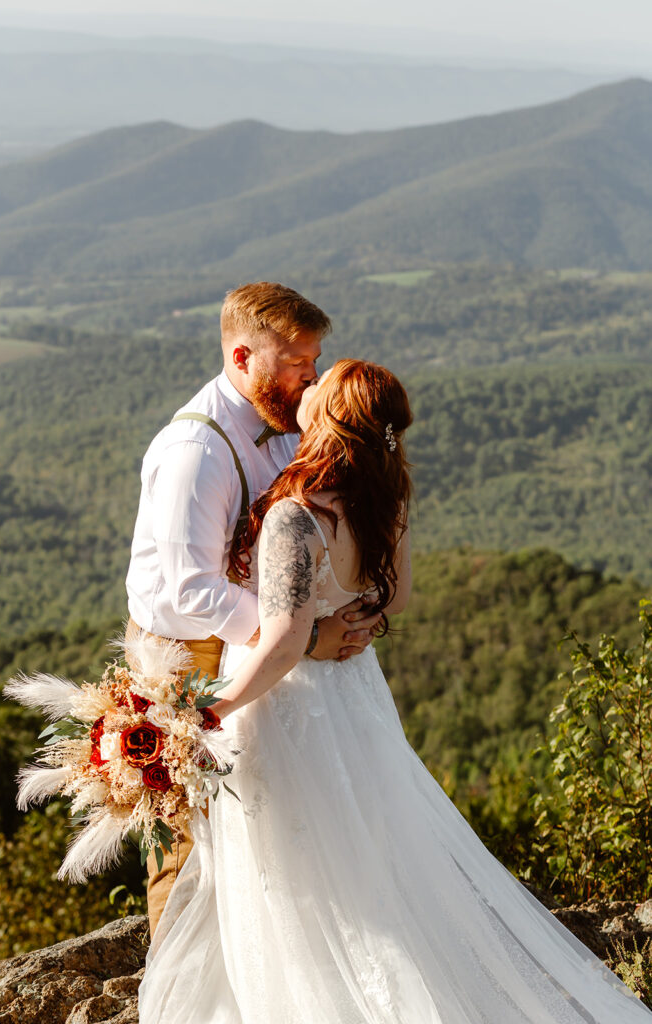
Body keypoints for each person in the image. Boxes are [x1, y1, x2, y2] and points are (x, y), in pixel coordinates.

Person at [139, 359, 650, 1023]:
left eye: (319, 384)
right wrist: (356, 615)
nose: (310, 381)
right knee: (364, 852)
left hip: (290, 710)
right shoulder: (386, 496)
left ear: (329, 416)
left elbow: (285, 641)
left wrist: (209, 709)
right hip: (355, 698)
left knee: (293, 875)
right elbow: (397, 597)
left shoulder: (297, 516)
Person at [125, 285, 381, 936]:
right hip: (180, 653)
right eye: (298, 362)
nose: (313, 377)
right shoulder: (195, 452)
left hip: (255, 638)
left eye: (315, 359)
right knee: (183, 830)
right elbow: (191, 588)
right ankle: (175, 984)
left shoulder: (285, 420)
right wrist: (302, 636)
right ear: (243, 356)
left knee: (259, 819)